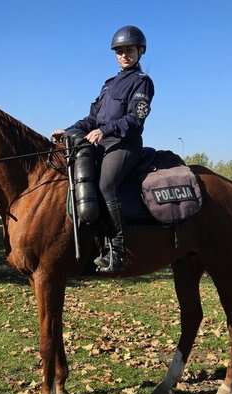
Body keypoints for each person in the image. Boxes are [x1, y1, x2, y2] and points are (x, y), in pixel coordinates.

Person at [52, 25, 154, 273]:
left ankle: (117, 251)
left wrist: (104, 131)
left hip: (124, 145)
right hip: (100, 142)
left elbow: (135, 119)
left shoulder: (142, 83)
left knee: (106, 184)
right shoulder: (108, 85)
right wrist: (68, 130)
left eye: (129, 50)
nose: (124, 55)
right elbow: (92, 119)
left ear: (140, 51)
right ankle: (90, 245)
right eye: (119, 51)